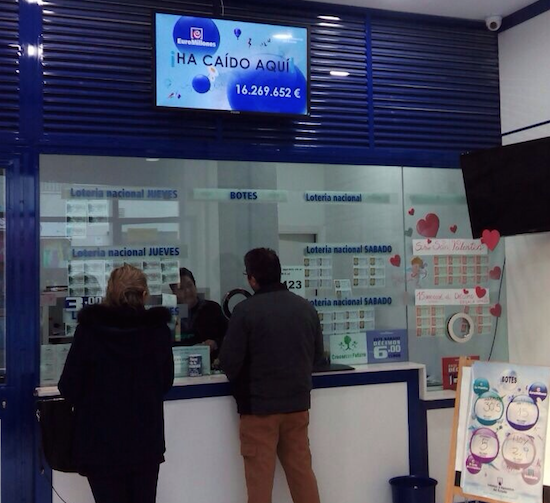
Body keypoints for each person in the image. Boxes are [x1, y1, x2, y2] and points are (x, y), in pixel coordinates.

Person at [58, 264, 174, 503]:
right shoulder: (157, 331)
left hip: (99, 445)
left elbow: (69, 387)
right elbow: (165, 382)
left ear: (109, 293)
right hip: (145, 442)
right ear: (144, 294)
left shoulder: (90, 331)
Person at [220, 248, 323, 503]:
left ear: (252, 279)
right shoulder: (306, 308)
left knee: (260, 485)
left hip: (259, 411)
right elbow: (317, 358)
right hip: (297, 407)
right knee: (302, 476)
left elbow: (230, 364)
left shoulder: (245, 311)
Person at [169, 267, 227, 360]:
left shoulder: (212, 308)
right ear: (174, 293)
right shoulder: (170, 315)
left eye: (189, 285)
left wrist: (215, 343)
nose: (188, 291)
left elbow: (229, 336)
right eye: (181, 288)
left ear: (195, 285)